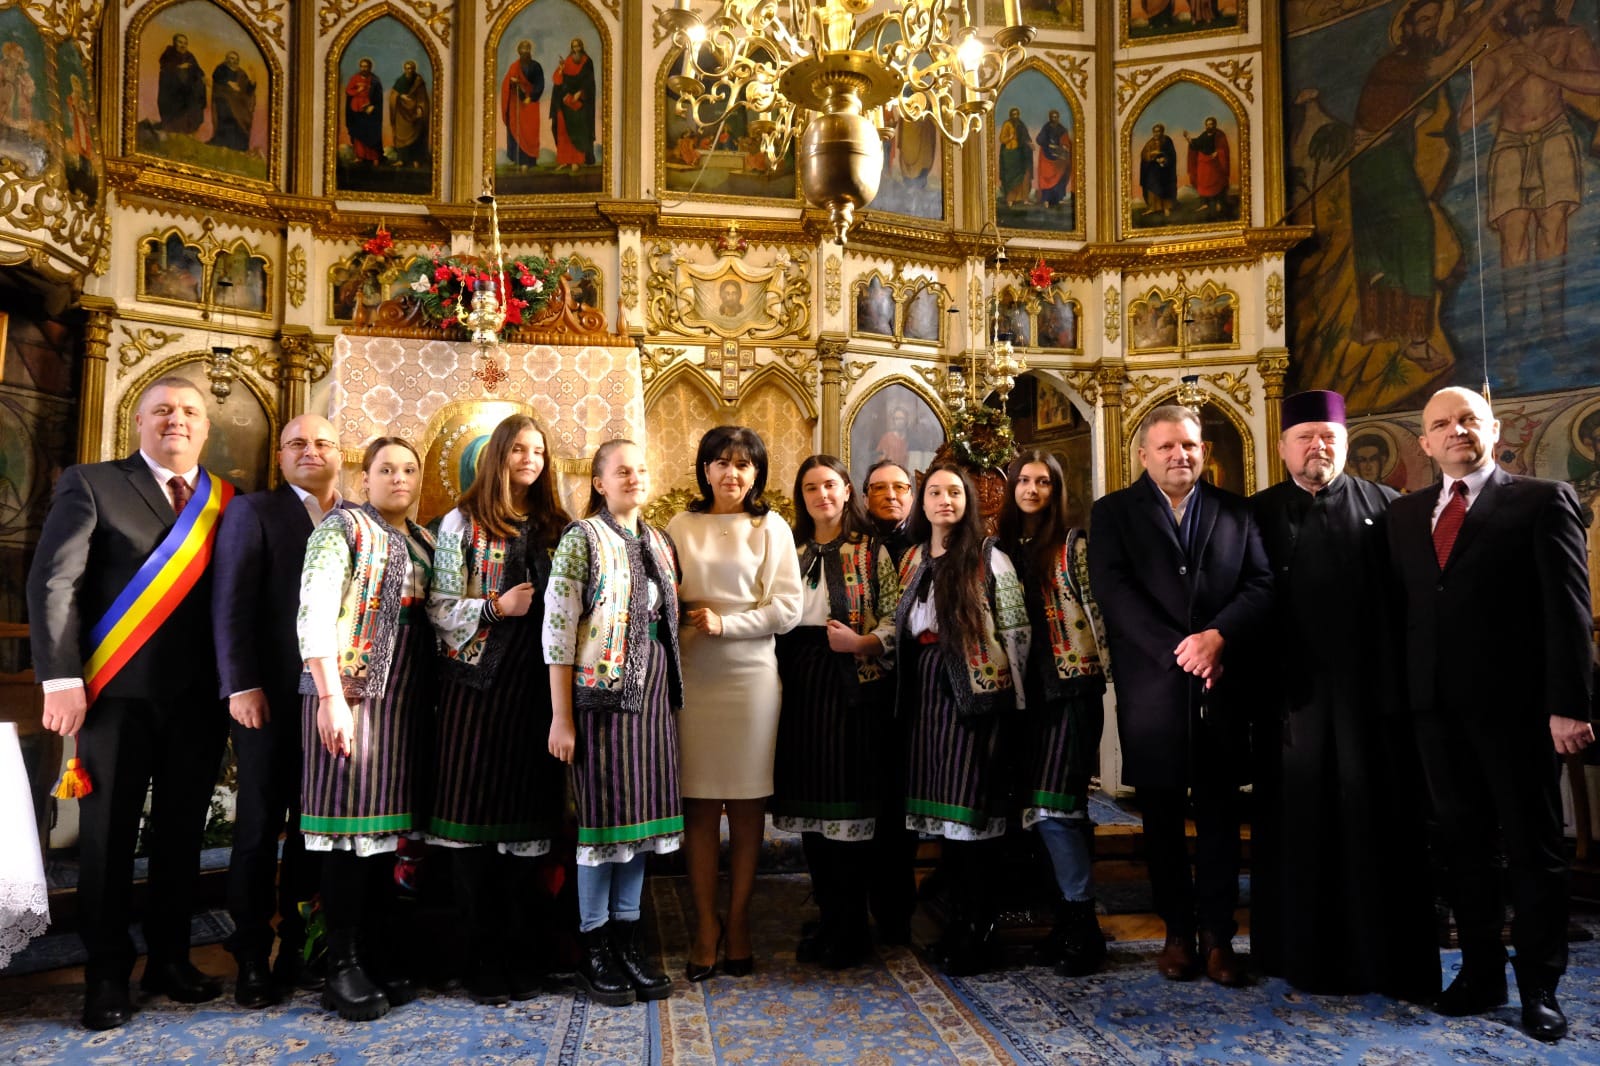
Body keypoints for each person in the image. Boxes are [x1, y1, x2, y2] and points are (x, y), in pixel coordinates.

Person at [1388, 386, 1594, 1042]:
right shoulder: (1404, 514)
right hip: (1432, 713)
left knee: (1533, 851)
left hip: (1518, 713)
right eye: (1441, 424)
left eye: (1467, 420)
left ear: (1493, 430)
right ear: (1424, 442)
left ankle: (1539, 986)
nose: (1456, 431)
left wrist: (1569, 707)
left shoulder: (1541, 500)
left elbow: (1569, 611)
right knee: (1461, 848)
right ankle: (1480, 974)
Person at [27, 376, 234, 1030]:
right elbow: (54, 582)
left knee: (181, 837)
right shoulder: (92, 483)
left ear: (205, 428)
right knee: (108, 840)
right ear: (138, 421)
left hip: (199, 700)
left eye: (190, 412)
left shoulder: (228, 499)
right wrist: (60, 678)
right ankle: (107, 975)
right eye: (163, 410)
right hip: (115, 698)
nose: (177, 420)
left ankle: (170, 961)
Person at [1245, 391, 1438, 1001]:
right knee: (1296, 825)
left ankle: (1380, 960)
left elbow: (1413, 602)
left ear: (1346, 443)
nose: (1317, 446)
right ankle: (1296, 955)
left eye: (1328, 436)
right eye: (1304, 437)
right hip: (1287, 703)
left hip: (1370, 703)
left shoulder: (1389, 507)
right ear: (1283, 447)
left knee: (1373, 823)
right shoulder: (1253, 515)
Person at [1087, 404, 1272, 987]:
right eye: (1166, 446)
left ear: (1203, 451)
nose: (1179, 455)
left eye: (1189, 445)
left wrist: (1218, 637)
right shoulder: (1113, 513)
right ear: (1144, 454)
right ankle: (1177, 934)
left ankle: (1219, 938)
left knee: (1220, 818)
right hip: (1153, 686)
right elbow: (1113, 591)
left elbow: (1261, 583)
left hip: (1220, 683)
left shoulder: (1237, 511)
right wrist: (1181, 651)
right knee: (1161, 819)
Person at [426, 415, 568, 1006]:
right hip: (474, 690)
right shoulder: (461, 523)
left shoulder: (560, 527)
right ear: (496, 456)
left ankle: (519, 948)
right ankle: (480, 956)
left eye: (538, 451)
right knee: (472, 820)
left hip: (538, 690)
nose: (529, 459)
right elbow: (438, 606)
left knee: (526, 821)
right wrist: (494, 606)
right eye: (518, 450)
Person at [297, 437, 434, 1022]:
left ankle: (376, 951)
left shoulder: (425, 540)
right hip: (350, 694)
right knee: (348, 831)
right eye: (386, 469)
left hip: (405, 698)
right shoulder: (341, 529)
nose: (399, 478)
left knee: (385, 831)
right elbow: (314, 613)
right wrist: (331, 697)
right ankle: (342, 964)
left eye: (408, 469)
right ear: (366, 477)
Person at [212, 414, 345, 1008]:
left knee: (314, 828)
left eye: (323, 443)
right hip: (266, 696)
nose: (311, 451)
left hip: (331, 701)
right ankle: (249, 954)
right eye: (298, 443)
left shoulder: (355, 518)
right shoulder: (254, 511)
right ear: (281, 456)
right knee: (260, 826)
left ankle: (297, 945)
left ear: (339, 454)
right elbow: (231, 603)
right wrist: (241, 685)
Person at [545, 439, 683, 1005]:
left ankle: (629, 940)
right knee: (604, 825)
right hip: (601, 699)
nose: (634, 477)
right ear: (599, 482)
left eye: (641, 469)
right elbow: (558, 631)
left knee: (641, 824)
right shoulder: (582, 538)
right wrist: (561, 717)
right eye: (621, 471)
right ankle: (594, 945)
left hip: (652, 696)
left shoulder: (659, 540)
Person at [667, 426, 803, 981]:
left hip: (749, 678)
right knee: (699, 808)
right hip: (693, 675)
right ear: (704, 469)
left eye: (743, 464)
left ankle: (740, 920)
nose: (731, 473)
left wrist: (729, 624)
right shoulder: (679, 526)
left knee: (747, 808)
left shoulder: (771, 527)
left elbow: (788, 609)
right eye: (721, 462)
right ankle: (706, 924)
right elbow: (661, 595)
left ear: (757, 474)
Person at [896, 462, 1030, 976]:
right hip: (925, 691)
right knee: (943, 818)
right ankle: (955, 924)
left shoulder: (989, 556)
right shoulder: (912, 558)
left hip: (976, 695)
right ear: (923, 503)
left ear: (968, 501)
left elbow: (1016, 631)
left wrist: (1016, 704)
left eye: (954, 492)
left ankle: (977, 931)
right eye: (934, 492)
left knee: (971, 816)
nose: (944, 500)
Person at [771, 456, 900, 969]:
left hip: (853, 685)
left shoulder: (871, 551)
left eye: (830, 485)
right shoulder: (790, 549)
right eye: (810, 488)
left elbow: (896, 614)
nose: (821, 495)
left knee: (850, 807)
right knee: (812, 809)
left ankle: (851, 927)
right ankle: (828, 916)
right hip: (799, 684)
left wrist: (865, 642)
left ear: (847, 491)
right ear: (801, 497)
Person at [996, 450, 1109, 977]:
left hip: (1070, 688)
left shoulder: (1073, 545)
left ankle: (1083, 926)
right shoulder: (999, 548)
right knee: (1033, 810)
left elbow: (1099, 613)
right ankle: (1062, 921)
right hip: (1021, 696)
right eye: (1024, 480)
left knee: (1056, 809)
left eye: (1043, 481)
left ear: (1056, 490)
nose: (1032, 489)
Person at [1468, 0, 1600, 349]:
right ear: (1504, 12)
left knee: (1553, 229)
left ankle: (1554, 329)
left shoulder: (1569, 36)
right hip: (1509, 144)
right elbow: (1466, 118)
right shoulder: (1496, 58)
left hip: (1555, 135)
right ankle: (1515, 332)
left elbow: (1597, 81)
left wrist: (1549, 71)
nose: (1528, 4)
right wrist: (1508, 81)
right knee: (1512, 238)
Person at [551, 37, 597, 171]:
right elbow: (557, 80)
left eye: (578, 46)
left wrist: (580, 92)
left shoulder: (587, 62)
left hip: (580, 103)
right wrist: (561, 69)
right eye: (574, 47)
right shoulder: (567, 61)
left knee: (578, 130)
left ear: (581, 47)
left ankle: (576, 160)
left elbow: (589, 82)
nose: (576, 49)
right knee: (562, 130)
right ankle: (565, 160)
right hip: (566, 101)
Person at [501, 40, 544, 167]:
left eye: (527, 49)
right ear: (519, 51)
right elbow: (506, 83)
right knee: (515, 129)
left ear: (530, 51)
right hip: (516, 104)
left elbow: (540, 84)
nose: (524, 52)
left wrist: (531, 97)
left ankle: (528, 161)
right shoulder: (514, 66)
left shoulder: (536, 66)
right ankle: (518, 160)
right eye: (522, 49)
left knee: (529, 132)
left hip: (530, 104)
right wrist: (511, 81)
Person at [863, 459, 915, 564]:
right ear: (866, 500)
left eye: (900, 487)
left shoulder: (928, 544)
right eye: (880, 488)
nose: (891, 496)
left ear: (911, 499)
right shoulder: (850, 546)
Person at [157, 33, 206, 135]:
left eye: (185, 43)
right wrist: (178, 68)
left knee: (195, 97)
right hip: (173, 91)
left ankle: (188, 129)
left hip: (188, 91)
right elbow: (164, 67)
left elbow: (198, 70)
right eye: (180, 42)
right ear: (174, 43)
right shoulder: (169, 54)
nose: (183, 45)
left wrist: (202, 77)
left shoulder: (189, 56)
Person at [208, 51, 255, 153]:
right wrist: (229, 83)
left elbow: (248, 90)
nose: (233, 61)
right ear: (226, 59)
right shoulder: (221, 69)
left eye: (236, 59)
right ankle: (223, 143)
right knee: (227, 121)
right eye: (231, 58)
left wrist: (252, 81)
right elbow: (217, 78)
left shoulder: (241, 73)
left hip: (239, 104)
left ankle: (239, 146)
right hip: (224, 100)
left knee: (242, 120)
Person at [1185, 116, 1229, 216]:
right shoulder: (1204, 135)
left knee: (1217, 182)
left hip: (1214, 163)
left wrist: (1218, 152)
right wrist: (1188, 139)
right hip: (1203, 163)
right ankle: (1205, 204)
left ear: (1215, 125)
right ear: (1206, 126)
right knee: (1202, 182)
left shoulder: (1219, 135)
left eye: (1211, 124)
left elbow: (1223, 148)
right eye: (1208, 124)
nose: (1209, 126)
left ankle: (1218, 202)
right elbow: (1196, 144)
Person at [388, 60, 428, 169]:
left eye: (411, 68)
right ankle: (401, 160)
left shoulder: (418, 81)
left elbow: (422, 97)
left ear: (414, 69)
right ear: (404, 69)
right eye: (407, 68)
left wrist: (420, 108)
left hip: (414, 112)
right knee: (400, 136)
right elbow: (393, 95)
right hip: (401, 113)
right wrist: (400, 96)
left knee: (416, 136)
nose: (409, 70)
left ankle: (416, 160)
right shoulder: (400, 81)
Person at [344, 58, 384, 165]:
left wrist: (373, 106)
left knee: (371, 133)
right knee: (358, 134)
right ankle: (360, 156)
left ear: (370, 67)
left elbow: (378, 97)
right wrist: (358, 90)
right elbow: (348, 90)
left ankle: (374, 157)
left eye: (366, 66)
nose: (364, 68)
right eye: (362, 66)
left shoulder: (375, 80)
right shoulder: (355, 78)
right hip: (356, 109)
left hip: (369, 111)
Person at [1035, 109, 1073, 210]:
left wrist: (1064, 146)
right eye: (1053, 117)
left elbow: (1066, 142)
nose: (1054, 119)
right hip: (1047, 156)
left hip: (1059, 159)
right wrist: (1048, 144)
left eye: (1056, 117)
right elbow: (1039, 139)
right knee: (1046, 179)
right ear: (1050, 117)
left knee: (1062, 174)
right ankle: (1046, 200)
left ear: (1058, 118)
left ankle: (1058, 198)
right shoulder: (1046, 128)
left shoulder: (1062, 129)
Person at [1138, 123, 1177, 219]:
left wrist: (1164, 158)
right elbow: (1144, 154)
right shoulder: (1150, 142)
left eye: (1158, 131)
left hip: (1165, 170)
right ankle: (1153, 208)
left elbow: (1171, 154)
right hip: (1153, 170)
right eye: (1155, 131)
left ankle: (1166, 208)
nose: (1156, 133)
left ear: (1162, 132)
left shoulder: (1167, 140)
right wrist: (1152, 155)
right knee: (1151, 186)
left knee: (1165, 187)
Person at [998, 107, 1033, 207]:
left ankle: (1023, 198)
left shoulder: (1021, 125)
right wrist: (1010, 138)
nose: (1015, 116)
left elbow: (1025, 137)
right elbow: (1002, 139)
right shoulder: (1007, 124)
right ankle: (1010, 199)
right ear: (1010, 115)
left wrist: (1029, 143)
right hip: (1009, 154)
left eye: (1017, 114)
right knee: (1011, 178)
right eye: (1013, 114)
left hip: (1020, 153)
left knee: (1023, 176)